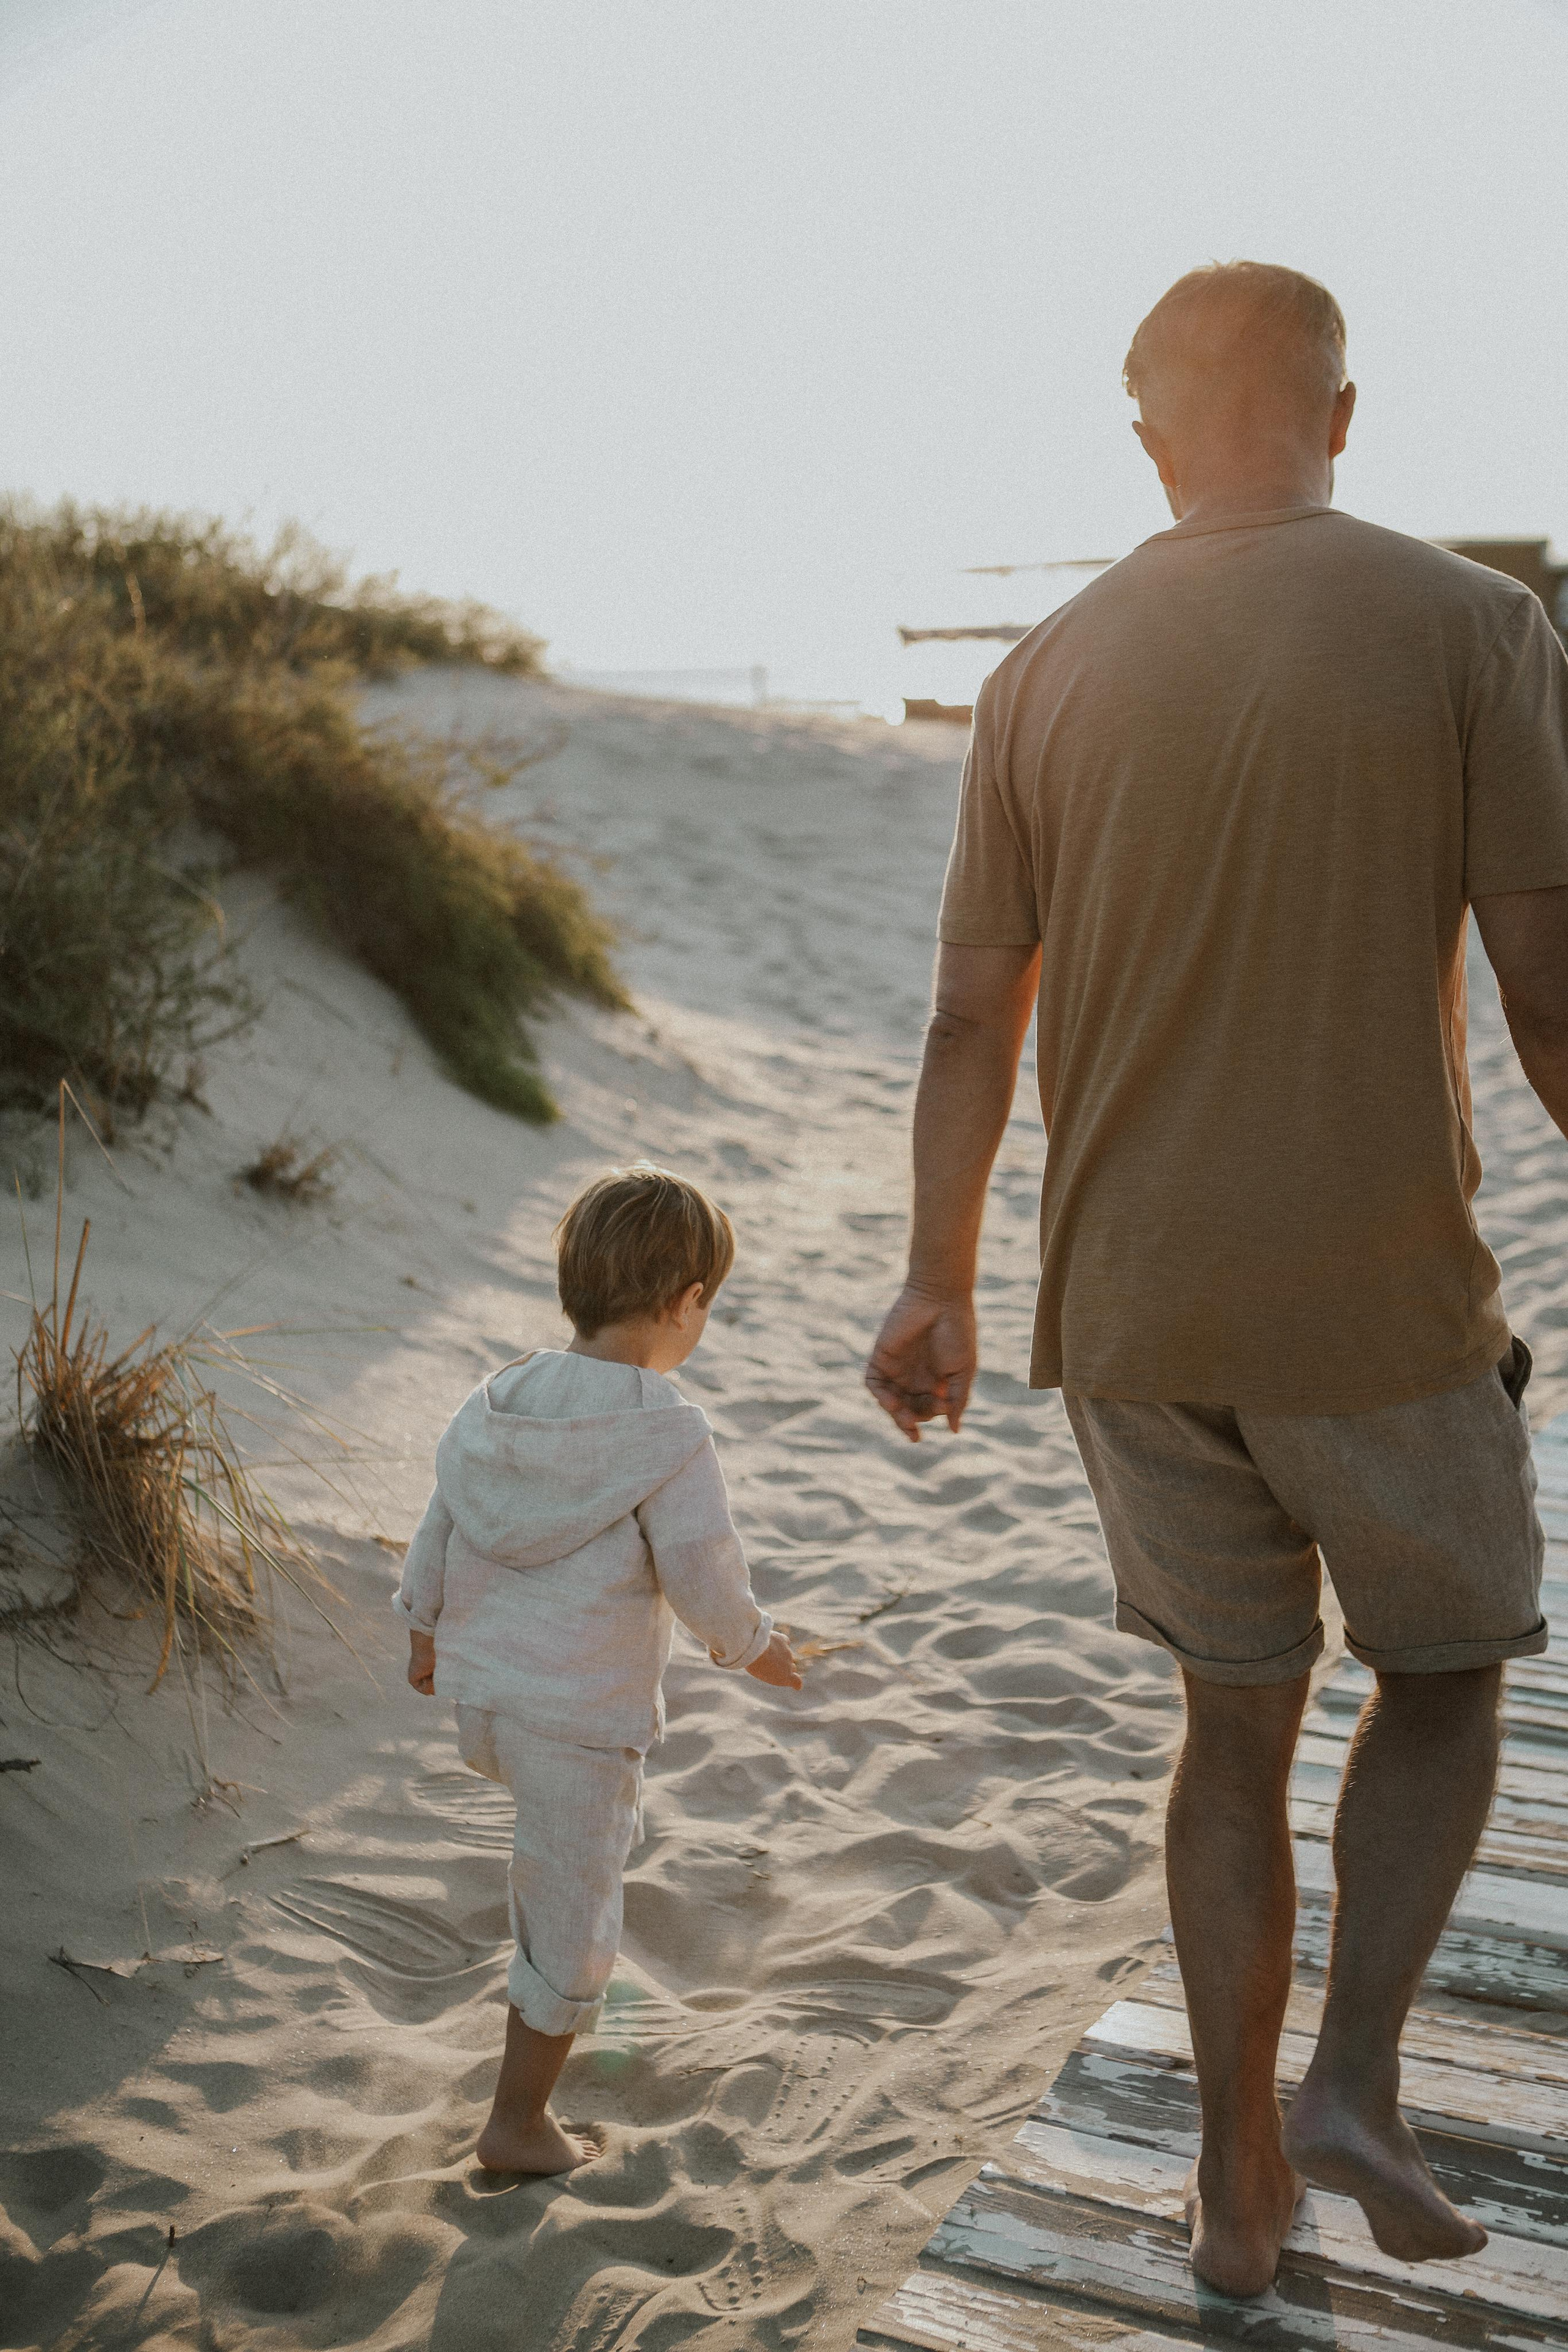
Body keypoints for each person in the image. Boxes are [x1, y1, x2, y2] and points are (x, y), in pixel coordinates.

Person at [866, 260, 1568, 2297]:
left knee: (1231, 1725)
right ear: (1343, 416)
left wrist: (936, 1282)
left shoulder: (1042, 672)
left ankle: (1236, 2188)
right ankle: (1350, 2082)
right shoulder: (1476, 626)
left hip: (1129, 1307)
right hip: (1378, 1297)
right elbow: (1548, 996)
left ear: (1148, 435)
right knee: (1446, 1665)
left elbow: (968, 1024)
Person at [398, 1163, 801, 2174]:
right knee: (572, 1917)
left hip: (483, 1700)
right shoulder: (666, 1431)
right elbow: (703, 1571)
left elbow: (443, 1515)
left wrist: (423, 1627)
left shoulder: (498, 1399)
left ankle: (521, 2100)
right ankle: (518, 2123)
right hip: (576, 1721)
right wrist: (753, 1646)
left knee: (556, 1868)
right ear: (685, 1302)